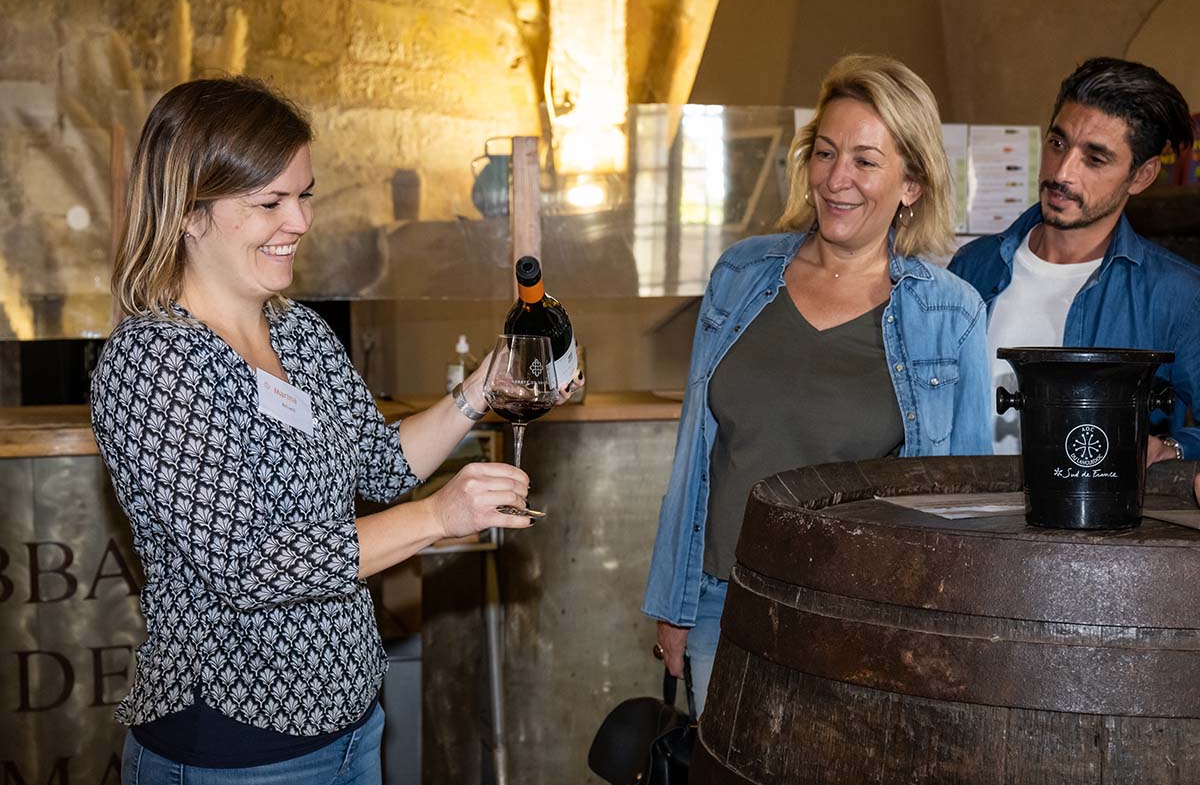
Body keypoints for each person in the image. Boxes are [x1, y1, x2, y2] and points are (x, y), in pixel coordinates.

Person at [91, 77, 570, 782]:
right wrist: (438, 515)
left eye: (304, 194)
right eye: (270, 202)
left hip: (352, 728)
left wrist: (482, 390)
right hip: (234, 749)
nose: (301, 221)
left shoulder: (301, 331)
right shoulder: (153, 359)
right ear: (189, 213)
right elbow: (252, 567)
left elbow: (379, 464)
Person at [642, 55, 992, 714]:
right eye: (826, 152)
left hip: (858, 621)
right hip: (724, 600)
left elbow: (963, 506)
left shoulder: (950, 313)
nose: (838, 179)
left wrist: (944, 645)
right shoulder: (739, 276)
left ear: (911, 183)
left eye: (866, 160)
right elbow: (696, 455)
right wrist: (674, 603)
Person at [949, 57, 1200, 462]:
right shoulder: (972, 266)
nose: (1062, 172)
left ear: (1142, 176)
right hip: (959, 517)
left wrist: (1171, 448)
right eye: (1058, 143)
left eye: (1095, 158)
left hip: (1091, 521)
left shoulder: (1179, 295)